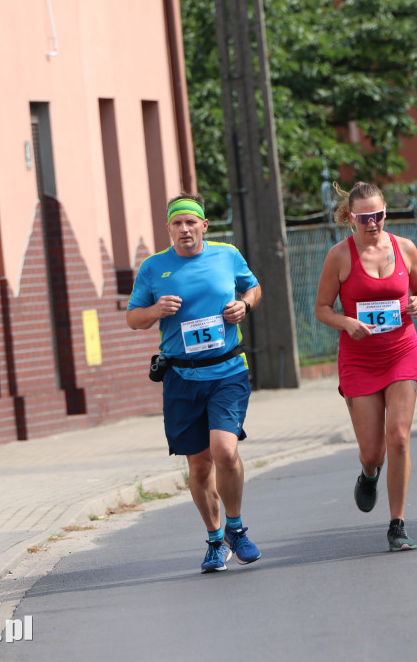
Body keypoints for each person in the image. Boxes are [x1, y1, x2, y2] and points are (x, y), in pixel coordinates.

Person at [126, 192, 263, 574]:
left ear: (204, 225)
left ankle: (236, 529)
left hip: (227, 371)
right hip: (181, 376)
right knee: (200, 468)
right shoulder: (154, 268)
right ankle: (215, 540)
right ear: (168, 228)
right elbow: (133, 318)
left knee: (224, 449)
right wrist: (155, 311)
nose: (184, 229)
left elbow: (253, 287)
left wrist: (245, 305)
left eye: (191, 222)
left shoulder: (227, 255)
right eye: (177, 223)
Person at [314, 182, 417, 552]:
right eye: (365, 217)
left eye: (379, 215)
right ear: (351, 218)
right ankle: (368, 474)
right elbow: (321, 309)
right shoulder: (340, 256)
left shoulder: (405, 248)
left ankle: (397, 524)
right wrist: (347, 323)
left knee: (398, 437)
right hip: (360, 360)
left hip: (401, 352)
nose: (373, 223)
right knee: (372, 451)